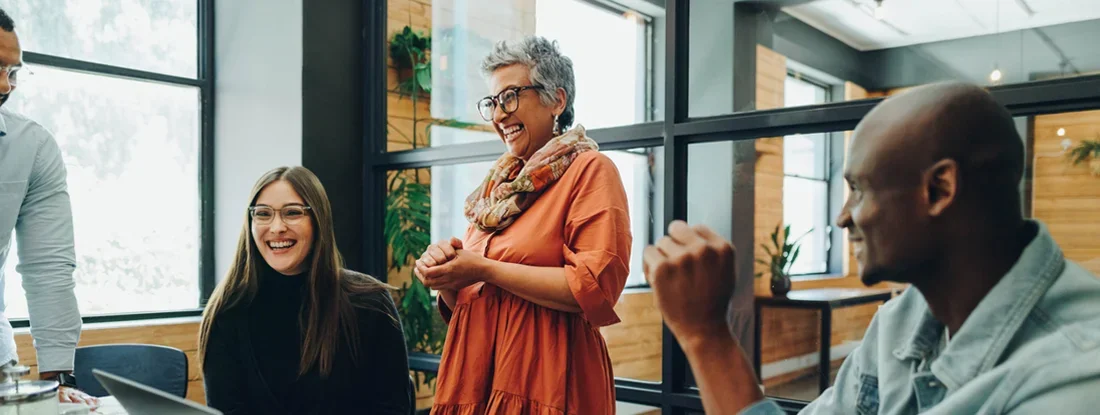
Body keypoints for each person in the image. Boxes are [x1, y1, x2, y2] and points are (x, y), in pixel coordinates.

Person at [644, 82, 1100, 414]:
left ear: (939, 189)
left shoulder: (1076, 375)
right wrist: (706, 335)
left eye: (859, 189)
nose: (843, 217)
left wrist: (707, 337)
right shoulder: (901, 322)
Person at [414, 36, 632, 414]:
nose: (499, 115)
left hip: (548, 380)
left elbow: (594, 286)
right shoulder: (497, 189)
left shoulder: (590, 171)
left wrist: (483, 268)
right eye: (492, 103)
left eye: (511, 97)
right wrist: (447, 275)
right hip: (475, 376)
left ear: (557, 101)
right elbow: (469, 299)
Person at [198, 166, 410, 414]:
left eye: (292, 212)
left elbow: (392, 407)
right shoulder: (227, 309)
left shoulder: (370, 301)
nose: (277, 227)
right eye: (263, 214)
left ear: (318, 220)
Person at [0, 7, 98, 406]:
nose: (4, 85)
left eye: (12, 72)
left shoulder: (32, 147)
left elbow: (48, 268)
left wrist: (56, 380)